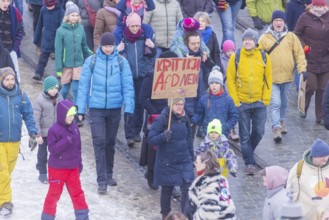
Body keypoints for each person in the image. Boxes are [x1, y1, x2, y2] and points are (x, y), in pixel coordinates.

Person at [76, 32, 134, 194]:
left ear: (114, 46)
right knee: (99, 141)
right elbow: (83, 86)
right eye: (105, 46)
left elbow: (128, 86)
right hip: (96, 108)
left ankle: (109, 173)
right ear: (100, 46)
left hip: (115, 108)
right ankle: (101, 180)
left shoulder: (121, 62)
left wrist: (129, 108)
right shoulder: (91, 61)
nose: (108, 49)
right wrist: (80, 109)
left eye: (110, 46)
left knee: (110, 142)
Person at [226, 28, 272, 175]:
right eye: (245, 39)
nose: (247, 41)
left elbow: (268, 80)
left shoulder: (264, 57)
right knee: (244, 135)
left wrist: (265, 99)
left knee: (259, 132)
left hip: (259, 102)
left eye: (250, 39)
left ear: (255, 41)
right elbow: (231, 80)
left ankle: (248, 152)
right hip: (242, 103)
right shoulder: (236, 57)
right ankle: (249, 163)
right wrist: (236, 101)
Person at [258, 10, 307, 143]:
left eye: (280, 20)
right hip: (271, 78)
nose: (278, 23)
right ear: (272, 22)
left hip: (287, 77)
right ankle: (276, 127)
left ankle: (281, 120)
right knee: (275, 103)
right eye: (276, 21)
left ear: (284, 22)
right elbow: (258, 57)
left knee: (284, 103)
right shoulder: (264, 38)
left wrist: (302, 69)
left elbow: (299, 54)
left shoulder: (291, 37)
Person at [41, 99, 89, 220]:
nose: (72, 117)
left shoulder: (75, 128)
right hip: (57, 169)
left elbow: (78, 147)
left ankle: (83, 217)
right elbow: (53, 149)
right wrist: (66, 140)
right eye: (69, 115)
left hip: (72, 167)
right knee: (53, 195)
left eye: (73, 115)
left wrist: (79, 163)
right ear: (62, 115)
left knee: (77, 193)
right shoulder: (54, 130)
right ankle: (47, 217)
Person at [148, 98, 194, 220]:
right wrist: (163, 136)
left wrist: (192, 156)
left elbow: (189, 138)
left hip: (184, 160)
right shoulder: (162, 119)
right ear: (171, 105)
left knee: (187, 188)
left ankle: (185, 216)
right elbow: (151, 139)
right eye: (177, 104)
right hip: (167, 162)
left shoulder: (185, 118)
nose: (180, 107)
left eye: (182, 104)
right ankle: (165, 216)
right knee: (167, 189)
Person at [0, 67, 37, 217]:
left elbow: (28, 115)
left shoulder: (21, 95)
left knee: (7, 172)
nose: (10, 82)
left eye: (12, 79)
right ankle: (6, 202)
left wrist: (32, 133)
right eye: (7, 79)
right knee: (2, 172)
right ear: (1, 80)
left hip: (15, 141)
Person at [139, 51, 177, 190]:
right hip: (155, 117)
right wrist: (155, 113)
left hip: (171, 117)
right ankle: (151, 173)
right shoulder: (151, 76)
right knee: (153, 149)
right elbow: (143, 98)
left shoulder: (175, 77)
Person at [116, 12, 156, 147]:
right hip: (128, 75)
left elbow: (152, 56)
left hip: (143, 75)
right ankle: (129, 135)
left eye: (137, 26)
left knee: (140, 104)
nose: (134, 28)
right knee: (129, 104)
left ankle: (137, 132)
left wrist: (153, 48)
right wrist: (118, 50)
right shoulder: (123, 38)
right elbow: (115, 57)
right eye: (132, 26)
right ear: (128, 25)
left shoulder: (145, 37)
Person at [294, 0, 329, 124]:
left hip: (326, 59)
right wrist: (304, 46)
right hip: (309, 58)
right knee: (312, 86)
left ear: (325, 6)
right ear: (312, 6)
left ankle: (320, 116)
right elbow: (296, 34)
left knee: (323, 89)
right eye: (316, 6)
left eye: (321, 6)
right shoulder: (305, 17)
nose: (319, 9)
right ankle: (303, 107)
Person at [55, 2, 93, 111]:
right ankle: (59, 106)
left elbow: (84, 46)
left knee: (76, 88)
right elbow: (58, 51)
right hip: (66, 65)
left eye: (77, 15)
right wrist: (58, 68)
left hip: (78, 64)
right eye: (72, 15)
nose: (75, 17)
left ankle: (76, 111)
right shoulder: (60, 31)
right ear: (67, 16)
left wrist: (92, 54)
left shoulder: (81, 29)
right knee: (65, 89)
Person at [287, 138, 329, 220]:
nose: (324, 158)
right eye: (321, 156)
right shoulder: (299, 168)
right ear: (313, 156)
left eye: (327, 155)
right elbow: (291, 194)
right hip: (306, 216)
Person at [192, 66, 239, 139]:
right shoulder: (204, 99)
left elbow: (234, 116)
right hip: (207, 134)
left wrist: (226, 126)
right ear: (209, 84)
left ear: (221, 84)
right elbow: (200, 116)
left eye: (217, 83)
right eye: (212, 83)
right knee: (208, 150)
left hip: (222, 134)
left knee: (222, 150)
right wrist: (191, 119)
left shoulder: (228, 100)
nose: (214, 85)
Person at [33, 76, 63, 184]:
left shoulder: (60, 98)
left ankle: (54, 173)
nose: (54, 90)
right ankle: (42, 172)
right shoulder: (39, 100)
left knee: (56, 154)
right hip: (44, 133)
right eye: (52, 88)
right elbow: (35, 118)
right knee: (42, 153)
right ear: (46, 89)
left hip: (57, 133)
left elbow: (64, 114)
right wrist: (38, 134)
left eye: (56, 88)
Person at [189, 151, 236, 219]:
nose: (195, 164)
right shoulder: (221, 180)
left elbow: (208, 212)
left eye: (197, 162)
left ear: (203, 165)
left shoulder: (205, 185)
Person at [33, 0, 64, 81]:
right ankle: (38, 73)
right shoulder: (43, 9)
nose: (49, 8)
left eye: (51, 6)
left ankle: (60, 74)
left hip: (57, 38)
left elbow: (63, 27)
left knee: (59, 58)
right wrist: (37, 40)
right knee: (43, 57)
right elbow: (39, 25)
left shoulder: (60, 11)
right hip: (46, 37)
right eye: (48, 6)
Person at [0, 0, 24, 83]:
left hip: (10, 50)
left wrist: (15, 48)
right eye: (3, 1)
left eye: (8, 1)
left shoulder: (14, 11)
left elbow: (21, 29)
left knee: (15, 76)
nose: (6, 3)